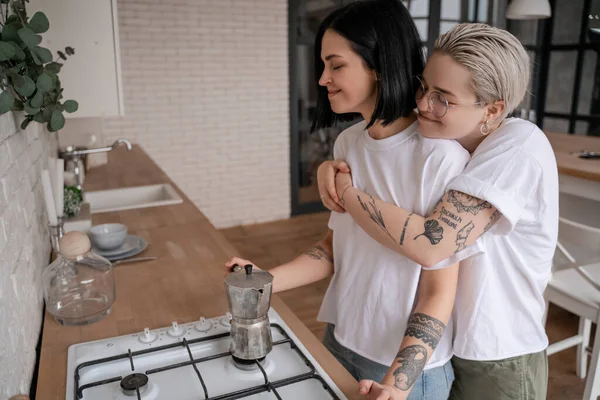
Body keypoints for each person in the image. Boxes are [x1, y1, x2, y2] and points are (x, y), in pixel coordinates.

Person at [227, 1, 476, 399]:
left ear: (377, 64)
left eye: (336, 64)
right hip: (341, 340)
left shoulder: (439, 158)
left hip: (405, 370)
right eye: (323, 65)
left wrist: (397, 384)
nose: (323, 78)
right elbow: (335, 248)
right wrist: (265, 280)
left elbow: (439, 291)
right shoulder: (348, 143)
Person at [317, 23, 558, 400]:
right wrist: (331, 165)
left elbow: (431, 244)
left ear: (492, 109)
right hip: (448, 343)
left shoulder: (518, 145)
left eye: (443, 98)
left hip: (498, 353)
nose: (423, 104)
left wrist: (346, 191)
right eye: (424, 87)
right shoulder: (453, 142)